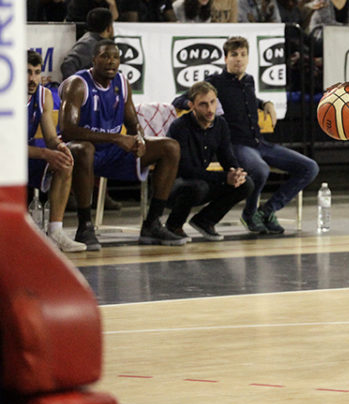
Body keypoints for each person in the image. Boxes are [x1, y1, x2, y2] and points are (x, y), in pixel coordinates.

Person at [60, 39, 185, 249]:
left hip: (112, 152)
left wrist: (139, 139)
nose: (111, 61)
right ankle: (85, 226)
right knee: (85, 149)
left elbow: (133, 122)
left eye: (115, 57)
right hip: (80, 153)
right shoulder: (78, 84)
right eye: (105, 56)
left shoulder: (122, 83)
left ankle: (152, 223)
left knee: (170, 147)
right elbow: (68, 131)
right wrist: (117, 138)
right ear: (94, 60)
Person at [205, 36, 319, 234]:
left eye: (243, 54)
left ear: (248, 58)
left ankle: (267, 211)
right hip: (236, 145)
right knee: (260, 170)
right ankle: (249, 214)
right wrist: (184, 104)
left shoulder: (248, 80)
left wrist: (265, 103)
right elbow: (187, 98)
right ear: (225, 58)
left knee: (309, 167)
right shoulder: (214, 82)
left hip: (259, 143)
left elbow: (247, 99)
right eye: (234, 55)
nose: (239, 59)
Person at [165, 81, 254, 241]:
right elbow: (185, 169)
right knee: (198, 186)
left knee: (246, 184)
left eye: (213, 102)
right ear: (192, 105)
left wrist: (236, 173)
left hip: (200, 181)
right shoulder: (180, 126)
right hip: (172, 186)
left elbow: (227, 157)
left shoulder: (220, 124)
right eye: (203, 104)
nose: (210, 109)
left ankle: (205, 221)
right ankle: (173, 225)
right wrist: (224, 177)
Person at [27, 50, 86, 253]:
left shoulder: (43, 96)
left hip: (27, 153)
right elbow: (7, 146)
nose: (32, 78)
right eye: (28, 72)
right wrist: (46, 153)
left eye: (36, 72)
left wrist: (60, 147)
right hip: (7, 155)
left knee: (64, 162)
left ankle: (56, 231)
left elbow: (51, 138)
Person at [61, 8, 115, 79]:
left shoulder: (99, 43)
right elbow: (67, 65)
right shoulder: (88, 44)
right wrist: (74, 84)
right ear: (109, 28)